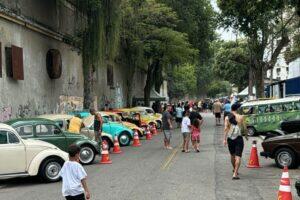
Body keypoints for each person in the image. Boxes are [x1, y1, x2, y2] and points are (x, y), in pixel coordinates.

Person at [223, 104, 248, 180]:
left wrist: (224, 139)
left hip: (230, 138)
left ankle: (235, 169)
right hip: (239, 138)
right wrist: (246, 136)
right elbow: (244, 128)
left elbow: (226, 129)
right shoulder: (241, 117)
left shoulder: (227, 117)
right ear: (237, 109)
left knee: (232, 155)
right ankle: (235, 173)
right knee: (238, 156)